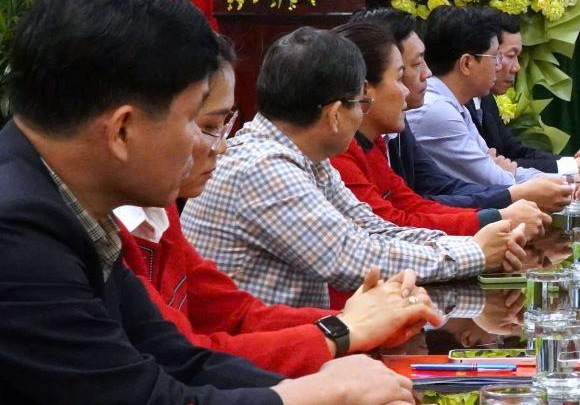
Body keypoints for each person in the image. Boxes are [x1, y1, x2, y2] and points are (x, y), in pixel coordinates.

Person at [0, 0, 474, 405]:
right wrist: (327, 392)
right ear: (122, 130)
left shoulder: (66, 202)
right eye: (197, 123)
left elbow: (178, 359)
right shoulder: (17, 228)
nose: (215, 147)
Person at [116, 35, 442, 378]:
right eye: (208, 126)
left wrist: (356, 322)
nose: (221, 147)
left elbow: (238, 315)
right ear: (123, 129)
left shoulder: (158, 210)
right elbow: (186, 363)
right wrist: (343, 332)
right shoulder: (261, 165)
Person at [183, 28, 531, 307]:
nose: (363, 112)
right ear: (335, 114)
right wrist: (474, 251)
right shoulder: (263, 167)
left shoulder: (304, 157)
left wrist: (477, 242)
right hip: (255, 365)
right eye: (360, 103)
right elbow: (355, 257)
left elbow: (373, 229)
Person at [329, 20, 551, 237]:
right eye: (400, 77)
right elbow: (389, 227)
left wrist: (497, 217)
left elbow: (412, 204)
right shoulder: (339, 151)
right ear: (365, 91)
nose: (407, 89)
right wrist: (496, 221)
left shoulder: (373, 140)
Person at [347, 8, 529, 211]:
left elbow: (424, 194)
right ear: (365, 87)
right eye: (413, 66)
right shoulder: (345, 147)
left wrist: (509, 197)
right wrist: (508, 201)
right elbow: (395, 217)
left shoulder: (392, 126)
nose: (428, 73)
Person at [406, 6, 572, 210]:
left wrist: (570, 181)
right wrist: (507, 172)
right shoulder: (437, 111)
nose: (499, 65)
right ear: (466, 63)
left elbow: (504, 174)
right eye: (495, 57)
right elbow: (497, 181)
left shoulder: (456, 105)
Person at [469, 11, 580, 177]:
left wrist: (576, 164)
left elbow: (515, 153)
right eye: (510, 56)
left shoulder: (484, 98)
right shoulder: (455, 104)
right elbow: (495, 165)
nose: (516, 68)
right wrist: (576, 166)